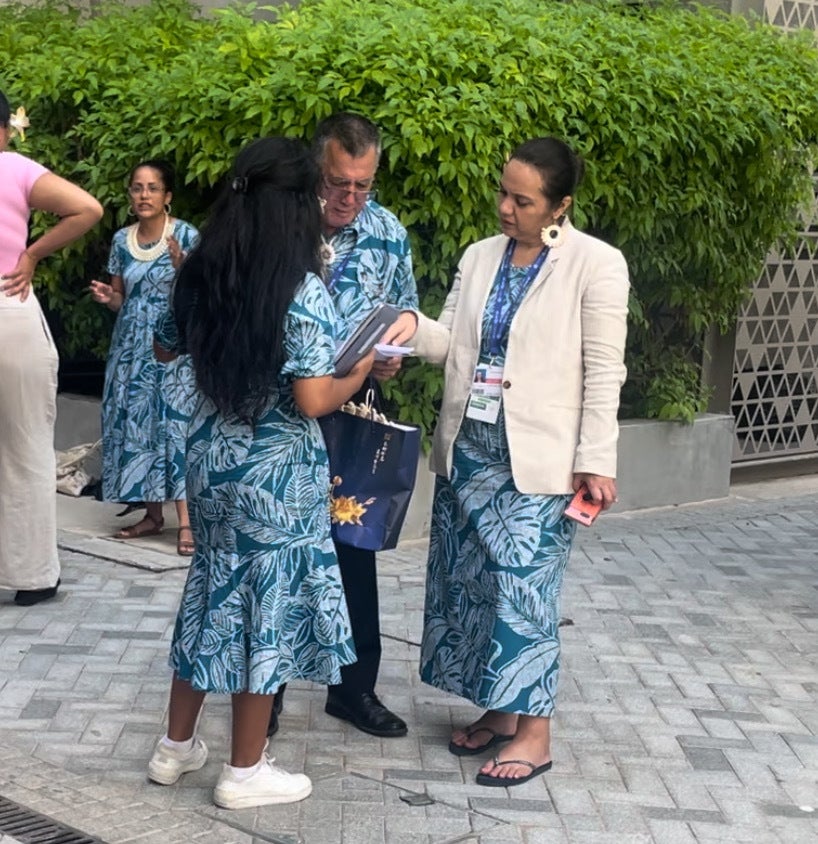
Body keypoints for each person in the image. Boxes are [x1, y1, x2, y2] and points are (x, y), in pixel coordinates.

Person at [386, 137, 629, 786]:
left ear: (560, 204)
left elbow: (605, 371)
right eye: (503, 192)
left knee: (525, 593)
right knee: (473, 590)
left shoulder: (596, 265)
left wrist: (595, 460)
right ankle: (499, 710)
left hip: (540, 463)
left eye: (522, 200)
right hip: (471, 453)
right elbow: (451, 341)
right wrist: (409, 330)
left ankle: (535, 734)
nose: (505, 207)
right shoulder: (479, 256)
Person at [149, 136, 374, 808]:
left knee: (212, 594)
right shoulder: (299, 287)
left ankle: (175, 748)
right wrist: (357, 368)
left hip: (210, 466)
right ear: (298, 204)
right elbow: (311, 397)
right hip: (275, 476)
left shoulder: (201, 270)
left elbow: (165, 345)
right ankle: (245, 770)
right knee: (263, 612)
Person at [269, 113, 419, 739]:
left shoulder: (385, 231)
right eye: (338, 183)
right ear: (316, 170)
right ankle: (264, 693)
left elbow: (407, 306)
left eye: (362, 185)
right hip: (283, 415)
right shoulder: (283, 222)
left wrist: (397, 342)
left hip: (355, 411)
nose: (349, 198)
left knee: (353, 552)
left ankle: (353, 689)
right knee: (276, 554)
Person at [0, 90, 103, 606]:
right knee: (26, 447)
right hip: (9, 307)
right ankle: (33, 574)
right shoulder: (14, 168)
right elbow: (87, 208)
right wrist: (33, 252)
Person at [89, 160, 199, 556]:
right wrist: (108, 298)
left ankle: (187, 522)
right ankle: (153, 516)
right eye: (137, 188)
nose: (144, 195)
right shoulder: (122, 240)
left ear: (167, 196)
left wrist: (181, 267)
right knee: (138, 425)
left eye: (153, 188)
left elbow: (201, 291)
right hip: (130, 349)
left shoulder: (186, 234)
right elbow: (123, 298)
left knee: (176, 425)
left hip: (172, 347)